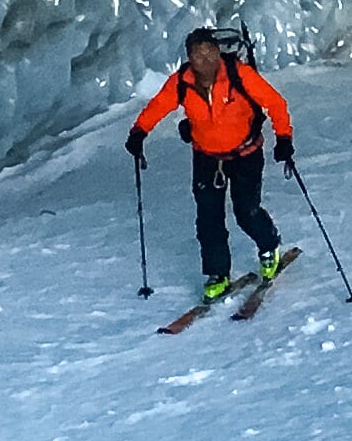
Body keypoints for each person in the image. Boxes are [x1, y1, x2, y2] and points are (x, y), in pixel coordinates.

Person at [125, 26, 297, 300]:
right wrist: (138, 132)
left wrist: (284, 138)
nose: (205, 60)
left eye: (210, 53)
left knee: (247, 210)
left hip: (246, 154)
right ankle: (217, 273)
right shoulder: (182, 81)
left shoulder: (239, 75)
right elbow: (159, 106)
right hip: (206, 157)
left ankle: (268, 245)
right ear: (189, 58)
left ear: (218, 52)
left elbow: (275, 103)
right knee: (208, 218)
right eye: (198, 55)